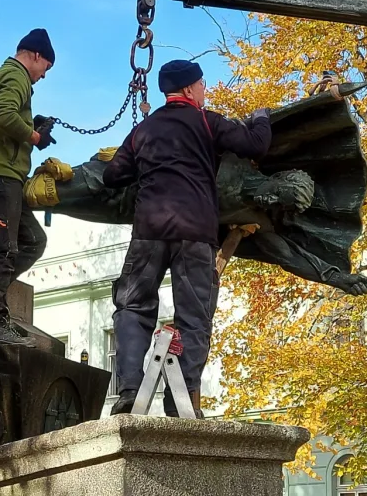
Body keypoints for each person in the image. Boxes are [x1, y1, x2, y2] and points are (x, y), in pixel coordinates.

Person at [102, 59, 272, 416]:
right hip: (196, 234)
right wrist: (261, 116)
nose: (205, 91)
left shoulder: (144, 130)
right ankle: (179, 401)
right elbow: (256, 145)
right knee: (194, 318)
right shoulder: (208, 123)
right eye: (203, 85)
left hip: (149, 231)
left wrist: (147, 166)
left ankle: (131, 390)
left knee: (132, 306)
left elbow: (113, 175)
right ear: (192, 89)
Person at [0, 28, 58, 347]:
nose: (43, 76)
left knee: (32, 241)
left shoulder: (11, 78)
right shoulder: (16, 74)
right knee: (2, 249)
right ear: (34, 56)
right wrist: (34, 137)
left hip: (4, 175)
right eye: (46, 67)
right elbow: (4, 115)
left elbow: (3, 118)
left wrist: (31, 127)